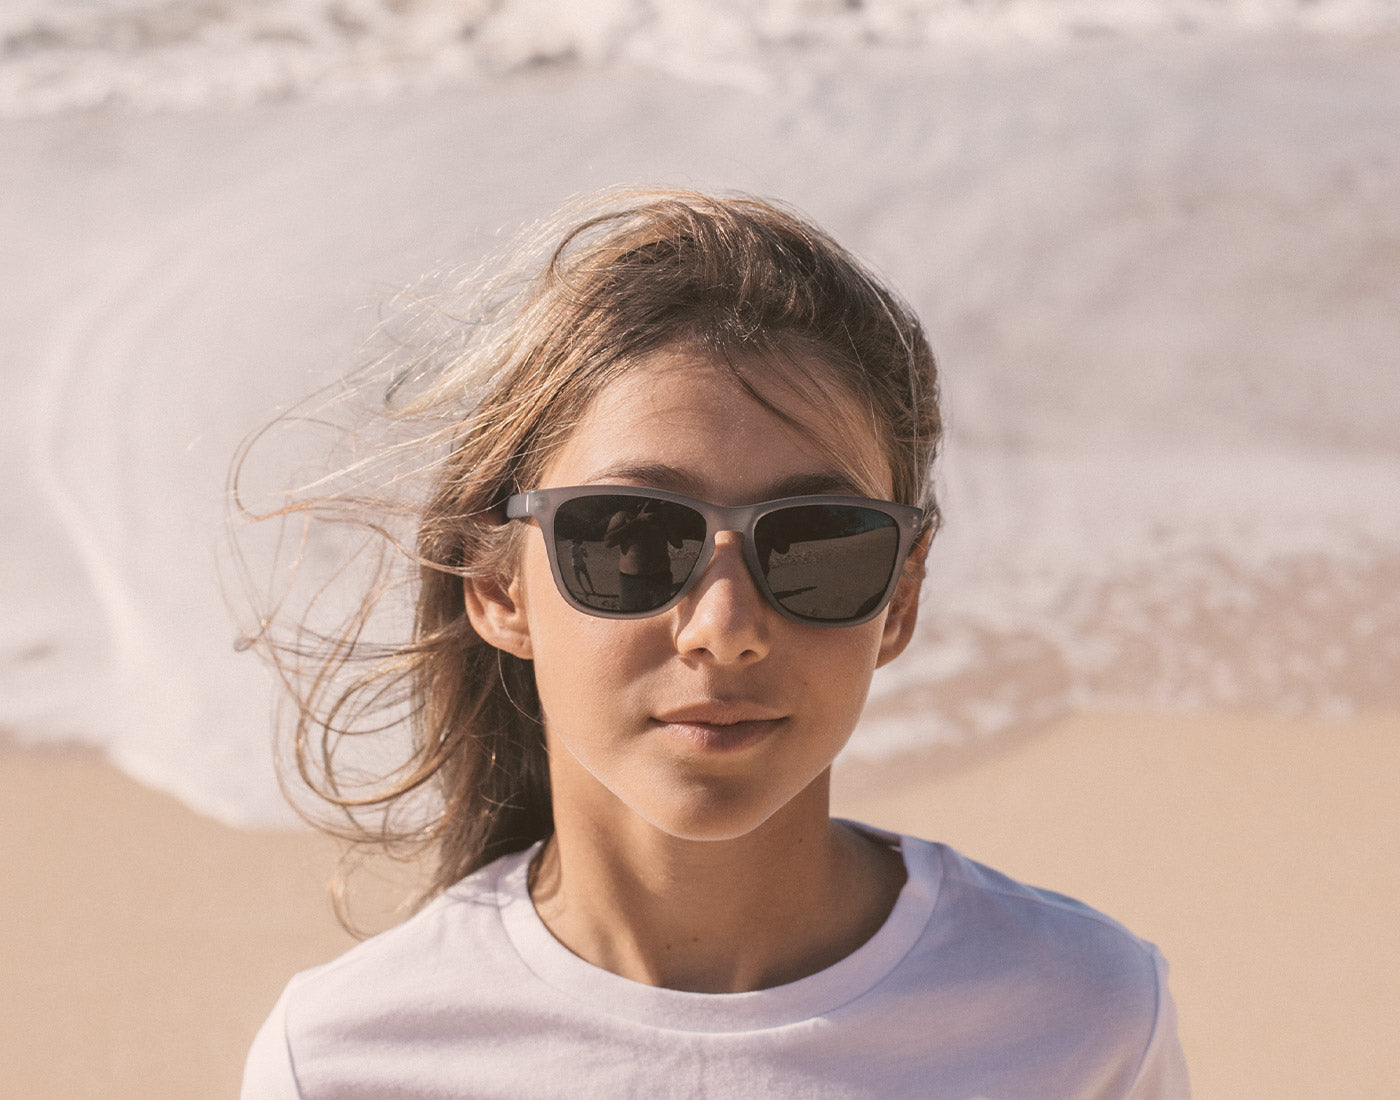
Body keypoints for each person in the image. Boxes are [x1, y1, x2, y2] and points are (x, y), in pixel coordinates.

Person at [238, 189, 1189, 1098]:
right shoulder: (344, 1064)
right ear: (497, 584)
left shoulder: (1081, 1017)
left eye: (816, 541)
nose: (724, 627)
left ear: (900, 594)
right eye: (632, 538)